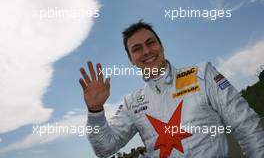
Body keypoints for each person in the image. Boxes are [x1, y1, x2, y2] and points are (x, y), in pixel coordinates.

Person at [79, 21, 264, 158]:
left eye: (151, 43)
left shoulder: (201, 74)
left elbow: (246, 125)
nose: (146, 51)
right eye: (137, 49)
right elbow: (105, 148)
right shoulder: (132, 103)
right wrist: (95, 111)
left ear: (161, 45)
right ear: (131, 60)